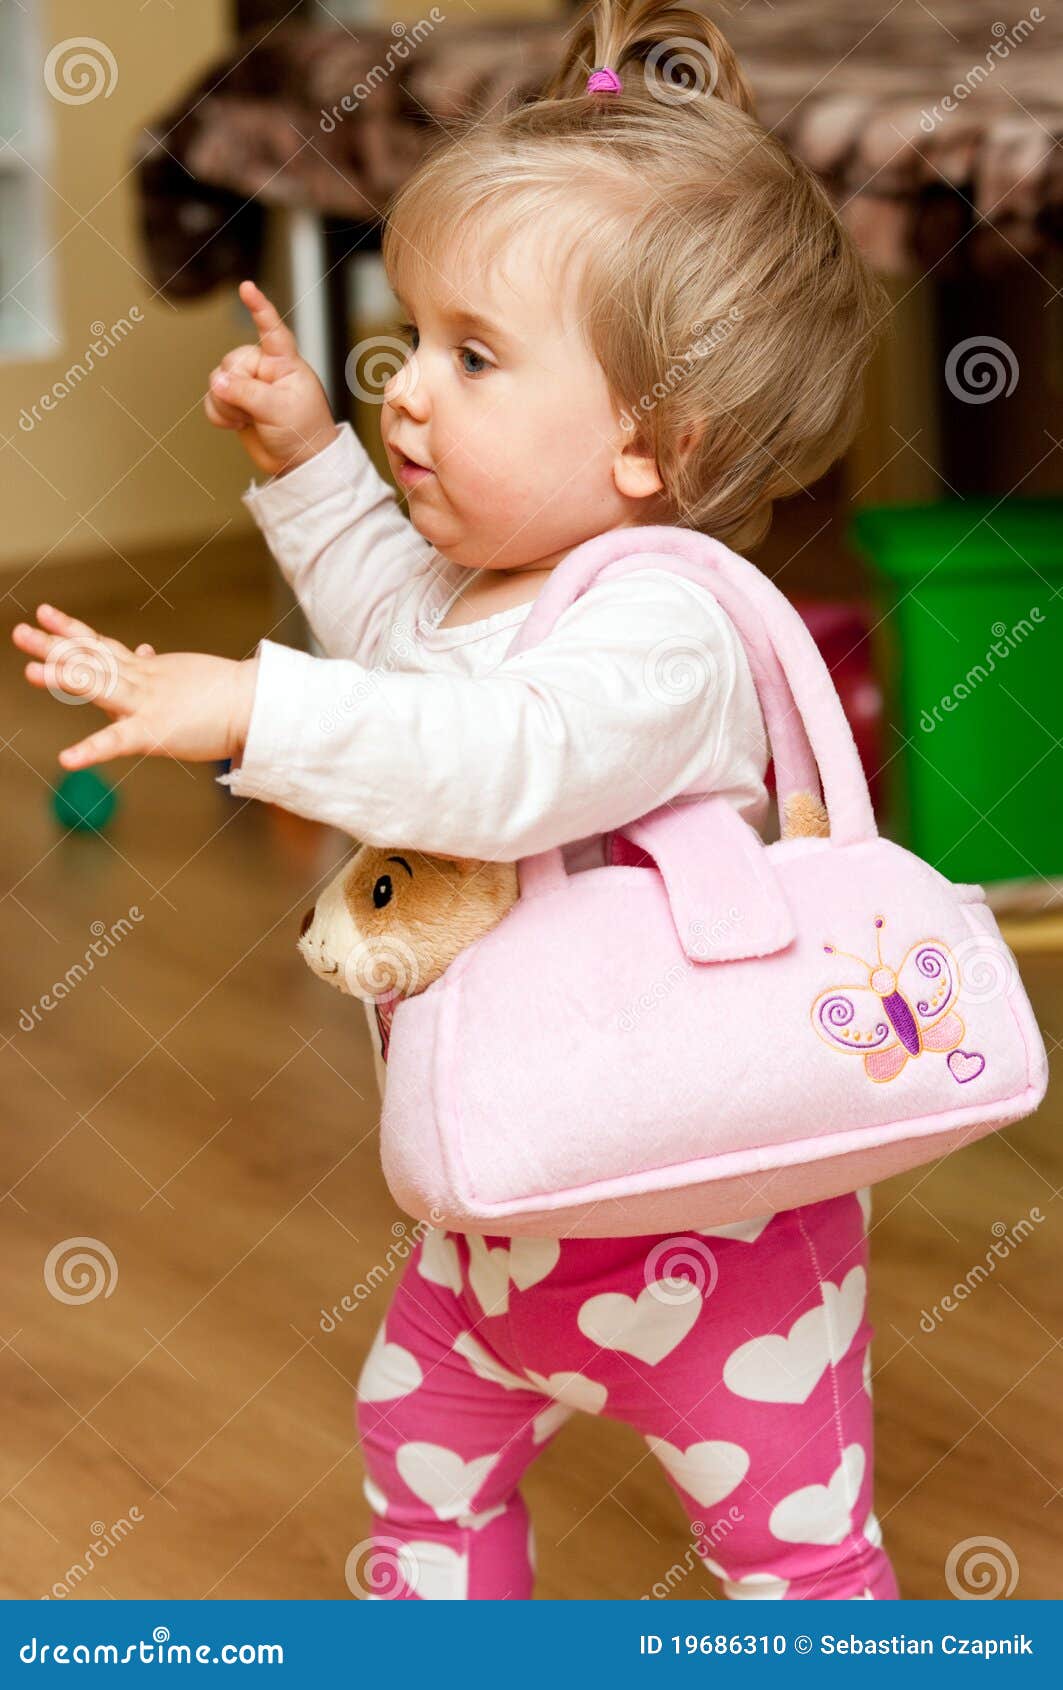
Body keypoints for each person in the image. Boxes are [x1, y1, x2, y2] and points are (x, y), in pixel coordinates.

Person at [11, 0, 896, 1600]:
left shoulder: (664, 630)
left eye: (472, 357)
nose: (407, 387)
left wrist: (254, 705)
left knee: (796, 1549)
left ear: (656, 443)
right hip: (495, 1217)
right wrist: (307, 465)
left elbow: (492, 762)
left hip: (717, 1240)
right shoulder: (490, 582)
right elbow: (396, 639)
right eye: (412, 337)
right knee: (420, 1473)